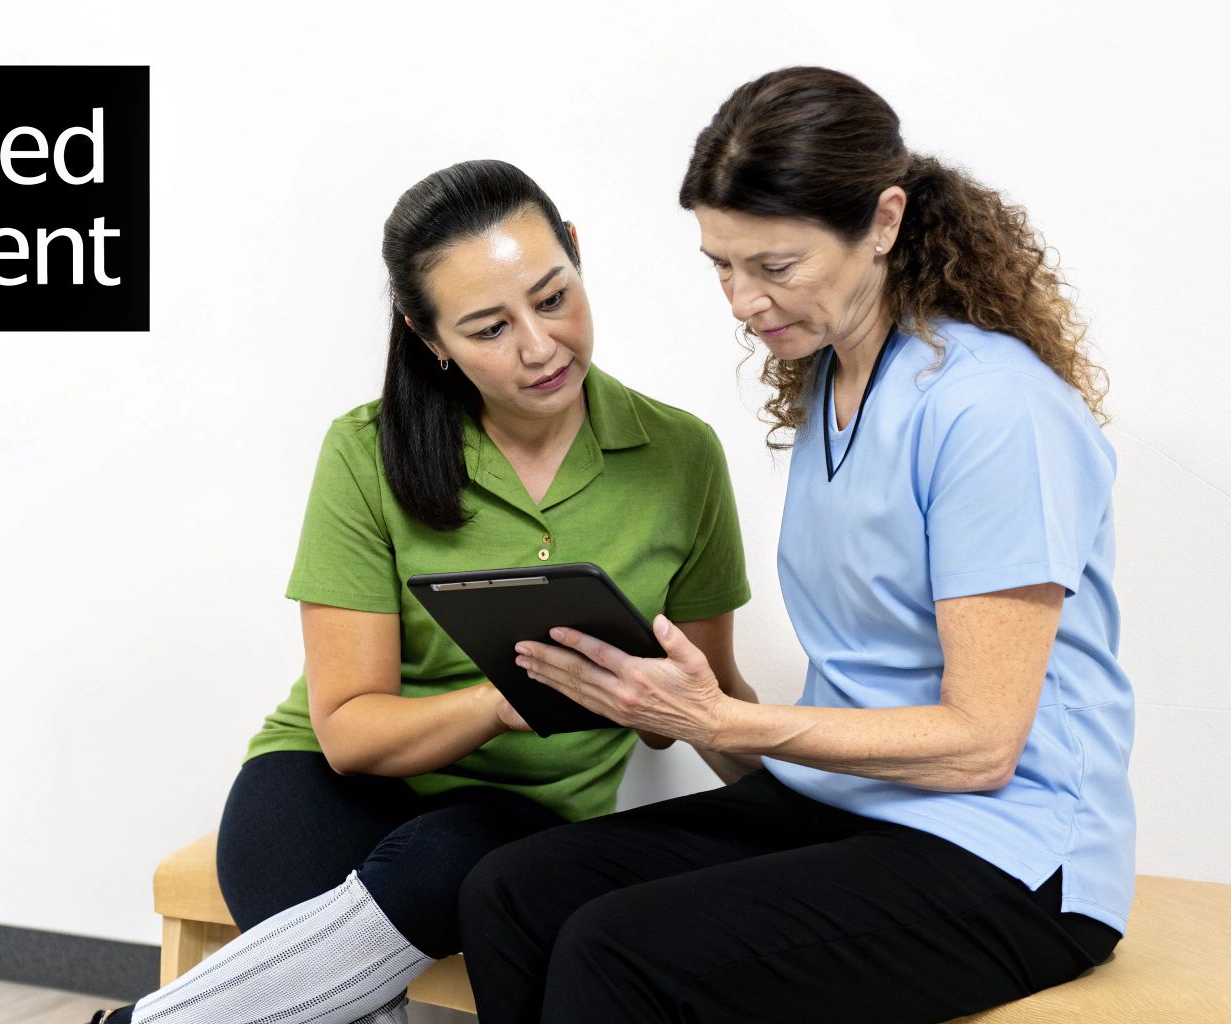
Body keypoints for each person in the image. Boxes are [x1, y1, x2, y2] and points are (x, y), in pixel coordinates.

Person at [458, 66, 1135, 1023]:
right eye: (722, 266)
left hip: (1010, 852)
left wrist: (719, 721)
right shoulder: (833, 382)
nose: (743, 299)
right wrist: (667, 698)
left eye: (774, 267)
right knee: (513, 891)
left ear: (885, 222)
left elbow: (983, 746)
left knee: (618, 950)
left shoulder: (993, 411)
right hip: (849, 805)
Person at [88, 159, 752, 1024]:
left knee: (447, 866)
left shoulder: (681, 456)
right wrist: (501, 702)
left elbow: (706, 699)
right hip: (327, 783)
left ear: (575, 252)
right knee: (347, 985)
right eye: (488, 328)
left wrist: (790, 781)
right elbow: (348, 733)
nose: (539, 347)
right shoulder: (366, 451)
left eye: (553, 298)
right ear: (428, 335)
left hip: (517, 818)